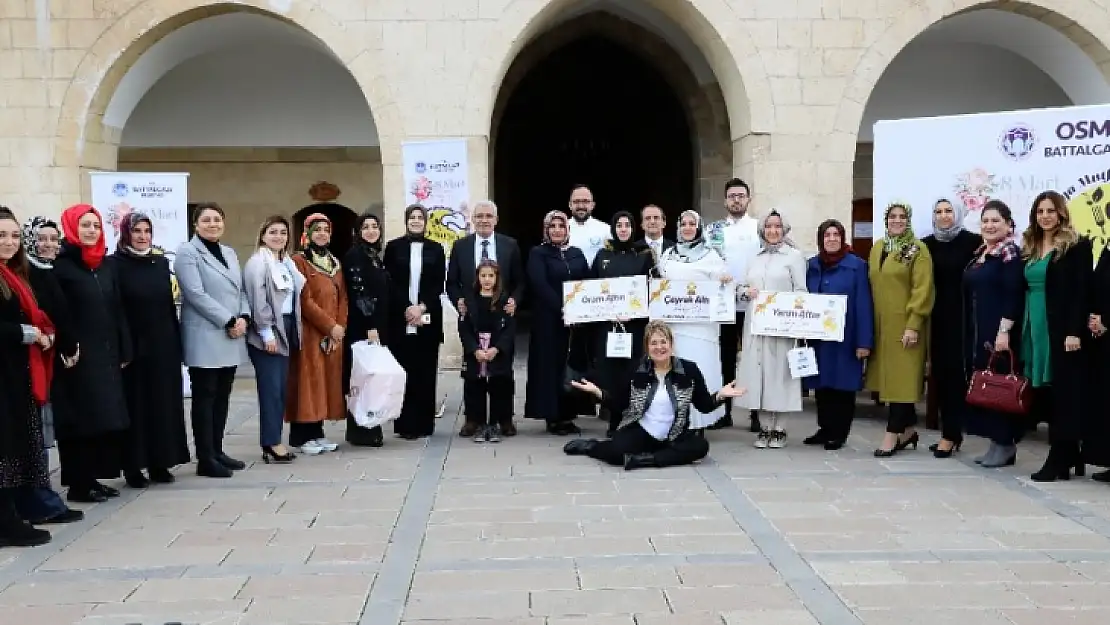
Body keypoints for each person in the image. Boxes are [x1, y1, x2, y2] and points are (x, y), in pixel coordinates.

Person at [563, 320, 746, 470]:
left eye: (663, 342)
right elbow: (620, 404)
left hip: (674, 435)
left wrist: (721, 395)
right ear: (647, 347)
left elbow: (704, 405)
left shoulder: (689, 370)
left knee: (700, 446)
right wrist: (598, 393)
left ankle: (645, 460)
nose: (659, 347)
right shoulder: (636, 370)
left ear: (671, 344)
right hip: (642, 432)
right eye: (654, 343)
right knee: (616, 452)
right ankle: (591, 446)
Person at [51, 204, 130, 500]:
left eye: (95, 226)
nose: (91, 231)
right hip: (77, 355)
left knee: (103, 418)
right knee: (80, 419)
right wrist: (67, 346)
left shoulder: (105, 265)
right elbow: (58, 311)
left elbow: (117, 307)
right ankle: (78, 483)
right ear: (71, 227)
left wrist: (124, 346)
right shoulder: (62, 265)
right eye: (84, 225)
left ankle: (93, 477)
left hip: (106, 352)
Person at [110, 213, 191, 487]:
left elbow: (169, 306)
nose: (143, 236)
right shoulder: (115, 265)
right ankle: (133, 467)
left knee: (163, 406)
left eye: (147, 231)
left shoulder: (159, 262)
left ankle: (160, 462)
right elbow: (116, 310)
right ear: (126, 233)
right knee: (137, 407)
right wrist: (124, 348)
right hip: (134, 349)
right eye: (137, 231)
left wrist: (176, 344)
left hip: (163, 346)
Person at [13, 215, 82, 526]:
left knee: (44, 434)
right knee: (37, 435)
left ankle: (43, 498)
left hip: (53, 361)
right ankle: (40, 500)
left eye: (55, 239)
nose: (49, 245)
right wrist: (49, 337)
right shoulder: (25, 274)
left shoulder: (49, 271)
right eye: (42, 239)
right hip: (33, 361)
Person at [1019, 191, 1092, 482]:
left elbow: (1081, 292)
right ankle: (1067, 451)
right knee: (1046, 393)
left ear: (1061, 213)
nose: (1045, 216)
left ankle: (1061, 456)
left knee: (1063, 394)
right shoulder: (1032, 245)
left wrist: (1074, 331)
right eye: (1040, 211)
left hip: (1060, 330)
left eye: (1051, 211)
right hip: (1033, 327)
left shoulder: (1076, 246)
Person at [176, 202, 249, 478]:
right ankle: (205, 458)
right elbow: (195, 294)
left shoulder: (229, 252)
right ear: (196, 224)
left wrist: (243, 317)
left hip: (231, 335)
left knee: (222, 397)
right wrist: (228, 320)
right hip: (205, 335)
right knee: (205, 398)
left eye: (217, 219)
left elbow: (239, 290)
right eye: (206, 220)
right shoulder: (187, 253)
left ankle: (217, 450)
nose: (212, 224)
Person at [0, 209, 55, 547]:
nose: (9, 242)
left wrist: (41, 332)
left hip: (14, 374)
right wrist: (26, 333)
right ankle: (7, 523)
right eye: (2, 235)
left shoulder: (12, 273)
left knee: (14, 448)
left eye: (14, 236)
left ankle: (11, 517)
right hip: (4, 376)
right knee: (4, 450)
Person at [446, 199, 524, 438]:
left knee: (502, 375)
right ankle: (473, 419)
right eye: (479, 216)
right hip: (473, 317)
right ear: (472, 219)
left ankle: (505, 419)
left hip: (501, 319)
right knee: (473, 375)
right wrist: (458, 301)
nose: (483, 220)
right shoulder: (461, 246)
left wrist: (515, 301)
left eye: (488, 216)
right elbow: (452, 283)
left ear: (496, 220)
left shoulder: (510, 245)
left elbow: (520, 281)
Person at [734, 210, 808, 448]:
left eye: (777, 227)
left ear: (784, 230)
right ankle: (765, 427)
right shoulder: (755, 257)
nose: (773, 231)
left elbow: (801, 291)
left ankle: (780, 429)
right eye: (768, 227)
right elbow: (742, 287)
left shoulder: (794, 256)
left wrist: (790, 310)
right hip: (756, 324)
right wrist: (746, 292)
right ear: (762, 230)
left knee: (780, 375)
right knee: (760, 374)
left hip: (782, 325)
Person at [867, 202, 934, 457]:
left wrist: (914, 325)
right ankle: (907, 432)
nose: (896, 221)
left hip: (906, 327)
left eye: (902, 216)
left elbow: (923, 289)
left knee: (902, 383)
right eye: (892, 216)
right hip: (881, 328)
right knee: (890, 383)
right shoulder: (878, 248)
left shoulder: (919, 250)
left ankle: (891, 434)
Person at [963, 200, 1026, 468]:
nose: (989, 226)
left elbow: (1013, 294)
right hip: (980, 328)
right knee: (988, 387)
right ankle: (995, 443)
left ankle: (1005, 444)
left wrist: (1004, 331)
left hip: (998, 331)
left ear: (1008, 224)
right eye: (985, 221)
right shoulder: (982, 252)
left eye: (995, 221)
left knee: (1001, 388)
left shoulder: (1009, 253)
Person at [656, 210, 732, 429]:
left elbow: (723, 283)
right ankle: (676, 420)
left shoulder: (711, 255)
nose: (687, 227)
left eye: (692, 224)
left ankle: (700, 422)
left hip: (702, 328)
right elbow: (660, 282)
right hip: (675, 326)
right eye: (684, 224)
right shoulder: (668, 254)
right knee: (676, 371)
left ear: (698, 228)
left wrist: (725, 280)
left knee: (701, 368)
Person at [803, 219, 874, 450]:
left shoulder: (857, 265)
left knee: (842, 386)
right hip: (819, 337)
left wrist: (864, 341)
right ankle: (824, 429)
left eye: (836, 235)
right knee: (822, 385)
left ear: (842, 238)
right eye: (827, 235)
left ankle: (839, 432)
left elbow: (864, 304)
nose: (831, 239)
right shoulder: (812, 265)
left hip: (846, 337)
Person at [921, 199, 982, 458]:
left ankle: (952, 433)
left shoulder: (973, 242)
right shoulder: (926, 245)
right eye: (938, 211)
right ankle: (949, 433)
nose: (943, 216)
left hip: (965, 318)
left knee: (959, 376)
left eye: (948, 211)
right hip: (936, 318)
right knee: (942, 376)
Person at [524, 210, 591, 435]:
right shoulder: (538, 253)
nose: (557, 230)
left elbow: (586, 282)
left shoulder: (576, 253)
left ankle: (568, 415)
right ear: (546, 230)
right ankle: (552, 416)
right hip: (549, 322)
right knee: (550, 366)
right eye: (552, 226)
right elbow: (540, 284)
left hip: (575, 323)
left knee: (571, 366)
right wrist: (564, 309)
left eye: (561, 226)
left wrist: (583, 308)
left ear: (567, 229)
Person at [243, 215, 303, 464]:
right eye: (273, 232)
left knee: (280, 389)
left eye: (282, 232)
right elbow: (258, 300)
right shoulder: (258, 263)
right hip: (268, 330)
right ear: (263, 235)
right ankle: (271, 442)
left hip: (287, 325)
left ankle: (274, 438)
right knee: (271, 390)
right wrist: (266, 332)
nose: (278, 237)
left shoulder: (285, 262)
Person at [383, 204, 446, 440]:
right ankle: (405, 424)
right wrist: (407, 308)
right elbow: (389, 281)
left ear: (426, 222)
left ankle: (424, 424)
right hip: (400, 317)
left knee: (426, 371)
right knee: (404, 370)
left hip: (427, 317)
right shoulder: (393, 247)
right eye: (413, 217)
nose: (417, 221)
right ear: (406, 220)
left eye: (420, 217)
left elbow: (437, 283)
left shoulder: (436, 249)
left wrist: (420, 307)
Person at [287, 213, 348, 454]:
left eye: (326, 229)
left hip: (332, 334)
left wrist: (339, 328)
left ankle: (318, 433)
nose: (322, 233)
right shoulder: (298, 260)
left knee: (325, 383)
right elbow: (304, 300)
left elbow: (343, 296)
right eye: (317, 229)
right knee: (307, 383)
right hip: (310, 332)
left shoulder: (334, 261)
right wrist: (328, 326)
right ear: (308, 233)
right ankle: (302, 436)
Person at [590, 211, 654, 436]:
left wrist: (635, 313)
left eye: (627, 225)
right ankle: (613, 419)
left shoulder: (644, 255)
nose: (623, 229)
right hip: (609, 327)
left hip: (634, 326)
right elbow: (593, 288)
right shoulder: (603, 255)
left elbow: (651, 289)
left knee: (632, 373)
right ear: (613, 228)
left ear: (633, 228)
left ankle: (633, 419)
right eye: (619, 225)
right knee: (610, 374)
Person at [709, 178, 762, 432]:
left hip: (753, 302)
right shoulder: (714, 231)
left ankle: (756, 412)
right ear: (725, 200)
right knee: (725, 358)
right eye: (732, 196)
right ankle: (724, 411)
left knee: (752, 358)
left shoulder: (759, 228)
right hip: (724, 303)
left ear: (748, 199)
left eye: (741, 195)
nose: (736, 200)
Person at [342, 211, 390, 447]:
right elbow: (359, 292)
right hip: (362, 327)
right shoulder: (355, 256)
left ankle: (371, 425)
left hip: (376, 325)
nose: (371, 231)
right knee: (361, 380)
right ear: (358, 232)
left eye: (375, 226)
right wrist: (370, 325)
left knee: (372, 379)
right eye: (366, 227)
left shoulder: (374, 256)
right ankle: (360, 430)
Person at [459, 260, 517, 443]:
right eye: (483, 275)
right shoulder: (470, 301)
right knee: (474, 386)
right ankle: (475, 420)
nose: (486, 279)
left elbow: (509, 328)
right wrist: (474, 349)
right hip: (476, 349)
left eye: (491, 276)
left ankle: (502, 420)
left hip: (496, 349)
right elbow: (464, 328)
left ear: (497, 278)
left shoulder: (504, 301)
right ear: (477, 277)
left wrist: (497, 348)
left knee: (501, 386)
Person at [565, 185, 611, 267]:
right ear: (570, 205)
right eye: (576, 201)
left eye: (585, 201)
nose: (581, 206)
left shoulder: (605, 230)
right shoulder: (561, 230)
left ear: (593, 205)